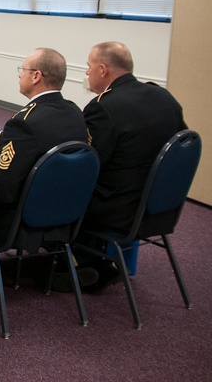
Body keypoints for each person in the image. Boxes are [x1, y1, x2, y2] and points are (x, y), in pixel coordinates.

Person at [0, 47, 90, 285]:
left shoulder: (24, 122)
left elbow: (1, 193)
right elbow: (37, 144)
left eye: (23, 69)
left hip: (18, 222)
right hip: (65, 213)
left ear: (36, 76)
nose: (19, 75)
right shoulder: (74, 113)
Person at [76, 41, 187, 291]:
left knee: (55, 190)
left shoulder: (103, 107)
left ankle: (80, 263)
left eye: (88, 66)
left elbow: (88, 165)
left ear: (103, 70)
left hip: (117, 209)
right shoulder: (163, 96)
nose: (86, 72)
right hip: (160, 205)